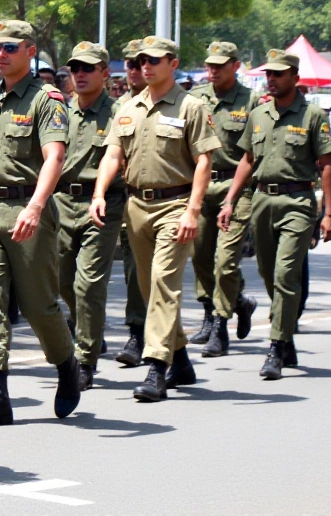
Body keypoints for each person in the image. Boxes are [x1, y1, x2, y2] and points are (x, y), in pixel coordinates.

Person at [0, 19, 79, 427]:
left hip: (28, 209)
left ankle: (66, 365)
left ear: (30, 51)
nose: (1, 54)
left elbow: (55, 157)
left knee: (38, 305)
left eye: (10, 47)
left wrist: (36, 207)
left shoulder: (46, 98)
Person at [91, 36, 220, 402]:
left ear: (173, 63)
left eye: (154, 60)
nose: (145, 66)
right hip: (136, 206)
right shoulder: (128, 107)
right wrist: (100, 193)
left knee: (164, 283)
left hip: (175, 205)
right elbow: (113, 155)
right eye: (140, 60)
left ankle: (156, 367)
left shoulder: (190, 107)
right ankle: (180, 358)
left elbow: (204, 162)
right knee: (150, 290)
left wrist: (193, 210)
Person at [218, 49, 331, 379]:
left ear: (295, 78)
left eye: (279, 74)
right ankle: (286, 338)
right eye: (269, 74)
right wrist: (229, 200)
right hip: (261, 201)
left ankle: (275, 346)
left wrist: (328, 214)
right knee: (269, 274)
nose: (271, 79)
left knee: (286, 274)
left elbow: (326, 166)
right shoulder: (258, 114)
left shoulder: (313, 115)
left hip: (297, 202)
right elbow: (246, 161)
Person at [54, 42, 122, 390]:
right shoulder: (61, 111)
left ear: (105, 74)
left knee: (88, 284)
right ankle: (88, 327)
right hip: (62, 203)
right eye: (75, 69)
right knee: (63, 282)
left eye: (87, 69)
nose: (79, 75)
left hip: (103, 204)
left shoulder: (119, 113)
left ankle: (85, 358)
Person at [188, 41, 260, 356]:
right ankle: (233, 304)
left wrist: (234, 195)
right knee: (201, 257)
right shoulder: (194, 98)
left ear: (236, 65)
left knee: (226, 262)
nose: (213, 70)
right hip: (201, 187)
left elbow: (253, 153)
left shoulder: (252, 100)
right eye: (210, 65)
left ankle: (221, 325)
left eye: (220, 65)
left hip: (237, 188)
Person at [113, 39, 148, 367]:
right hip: (119, 199)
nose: (135, 70)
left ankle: (138, 332)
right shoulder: (119, 106)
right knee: (130, 268)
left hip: (154, 200)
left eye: (141, 63)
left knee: (146, 270)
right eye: (131, 64)